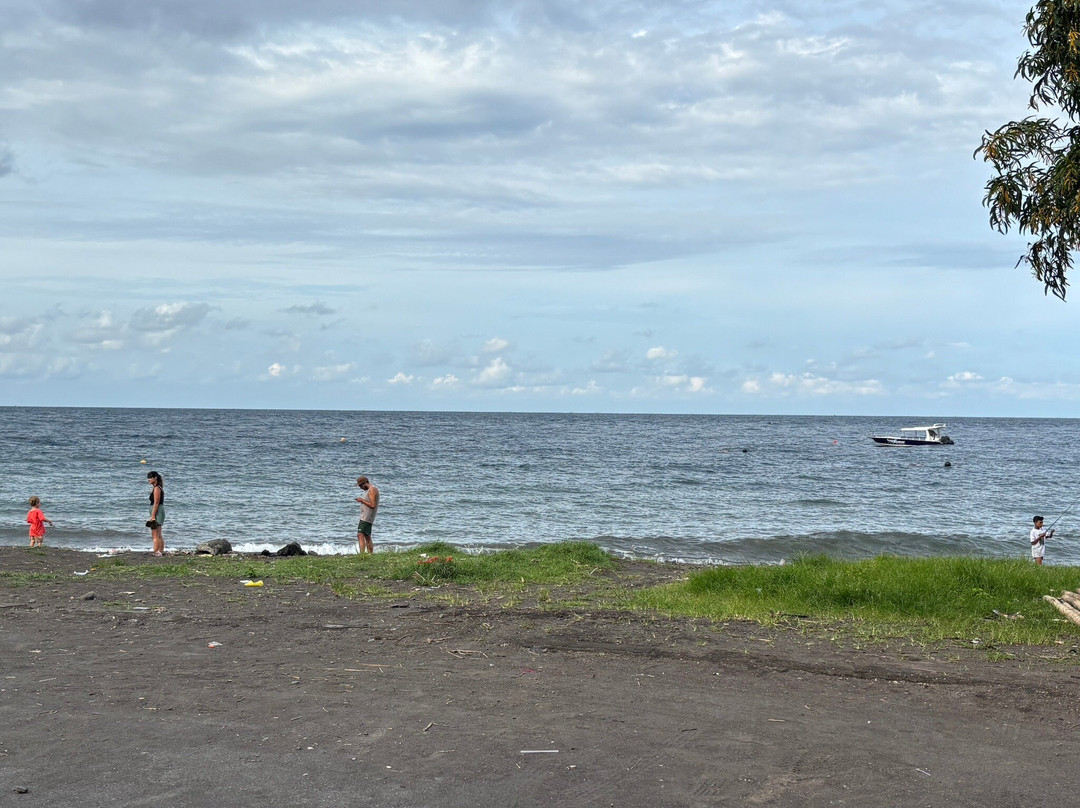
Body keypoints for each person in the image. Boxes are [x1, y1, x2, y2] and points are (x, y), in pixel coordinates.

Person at [355, 476, 379, 554]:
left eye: (360, 486)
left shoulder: (372, 489)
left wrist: (361, 500)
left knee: (360, 534)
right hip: (367, 517)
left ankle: (362, 554)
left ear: (364, 483)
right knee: (367, 535)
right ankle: (370, 554)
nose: (361, 488)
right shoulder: (371, 490)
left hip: (366, 517)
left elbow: (373, 505)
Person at [146, 471, 165, 556]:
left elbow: (156, 502)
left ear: (155, 478)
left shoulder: (157, 488)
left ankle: (156, 551)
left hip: (157, 511)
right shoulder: (158, 487)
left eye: (150, 477)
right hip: (159, 511)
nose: (148, 480)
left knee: (155, 533)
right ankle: (160, 552)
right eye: (148, 478)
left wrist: (153, 516)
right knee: (158, 533)